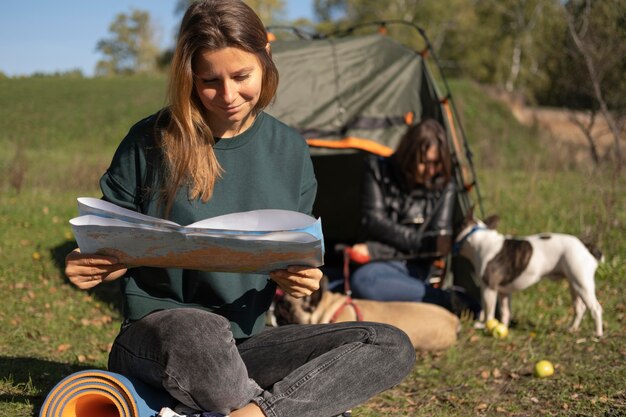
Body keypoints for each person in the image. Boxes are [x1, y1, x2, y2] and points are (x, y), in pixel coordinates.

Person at [64, 2, 415, 417]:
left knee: (389, 344)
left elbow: (297, 257)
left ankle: (252, 412)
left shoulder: (291, 150)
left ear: (265, 60)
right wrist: (90, 262)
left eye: (241, 76)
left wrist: (301, 276)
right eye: (209, 80)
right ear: (188, 77)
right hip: (160, 335)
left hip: (248, 344)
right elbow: (108, 238)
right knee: (201, 330)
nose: (228, 95)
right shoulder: (151, 140)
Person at [348, 118, 468, 313]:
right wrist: (382, 252)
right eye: (424, 162)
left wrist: (376, 250)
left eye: (436, 163)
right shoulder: (377, 170)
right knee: (359, 281)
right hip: (379, 263)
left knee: (364, 282)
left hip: (413, 267)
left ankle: (442, 298)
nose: (430, 171)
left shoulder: (445, 184)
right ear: (409, 154)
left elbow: (435, 245)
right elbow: (373, 222)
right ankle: (431, 299)